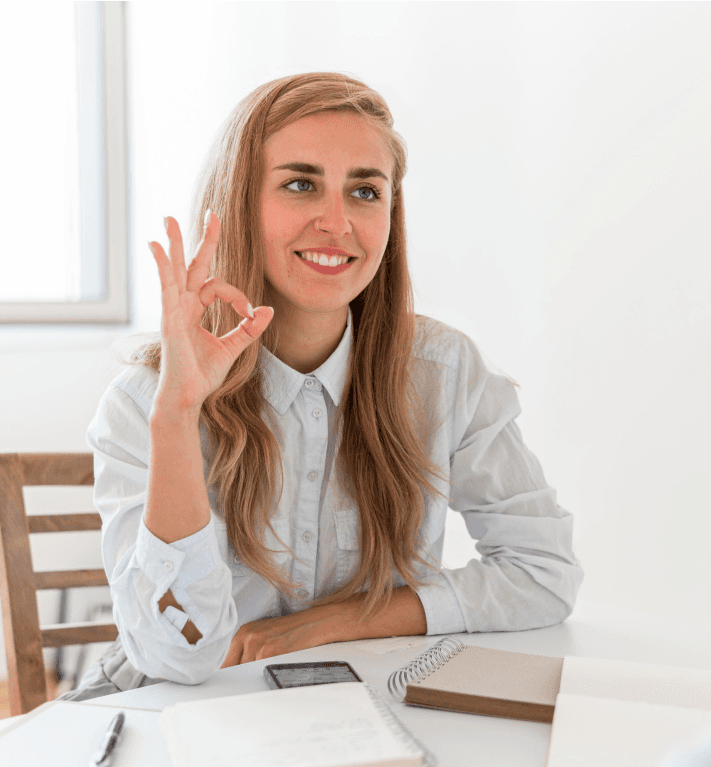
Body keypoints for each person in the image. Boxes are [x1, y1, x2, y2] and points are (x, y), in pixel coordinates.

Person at [58, 71, 584, 700]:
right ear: (236, 204)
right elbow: (178, 655)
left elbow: (544, 574)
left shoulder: (444, 373)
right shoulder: (145, 400)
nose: (337, 222)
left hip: (352, 705)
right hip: (170, 709)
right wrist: (178, 413)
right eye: (301, 185)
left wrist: (338, 621)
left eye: (365, 191)